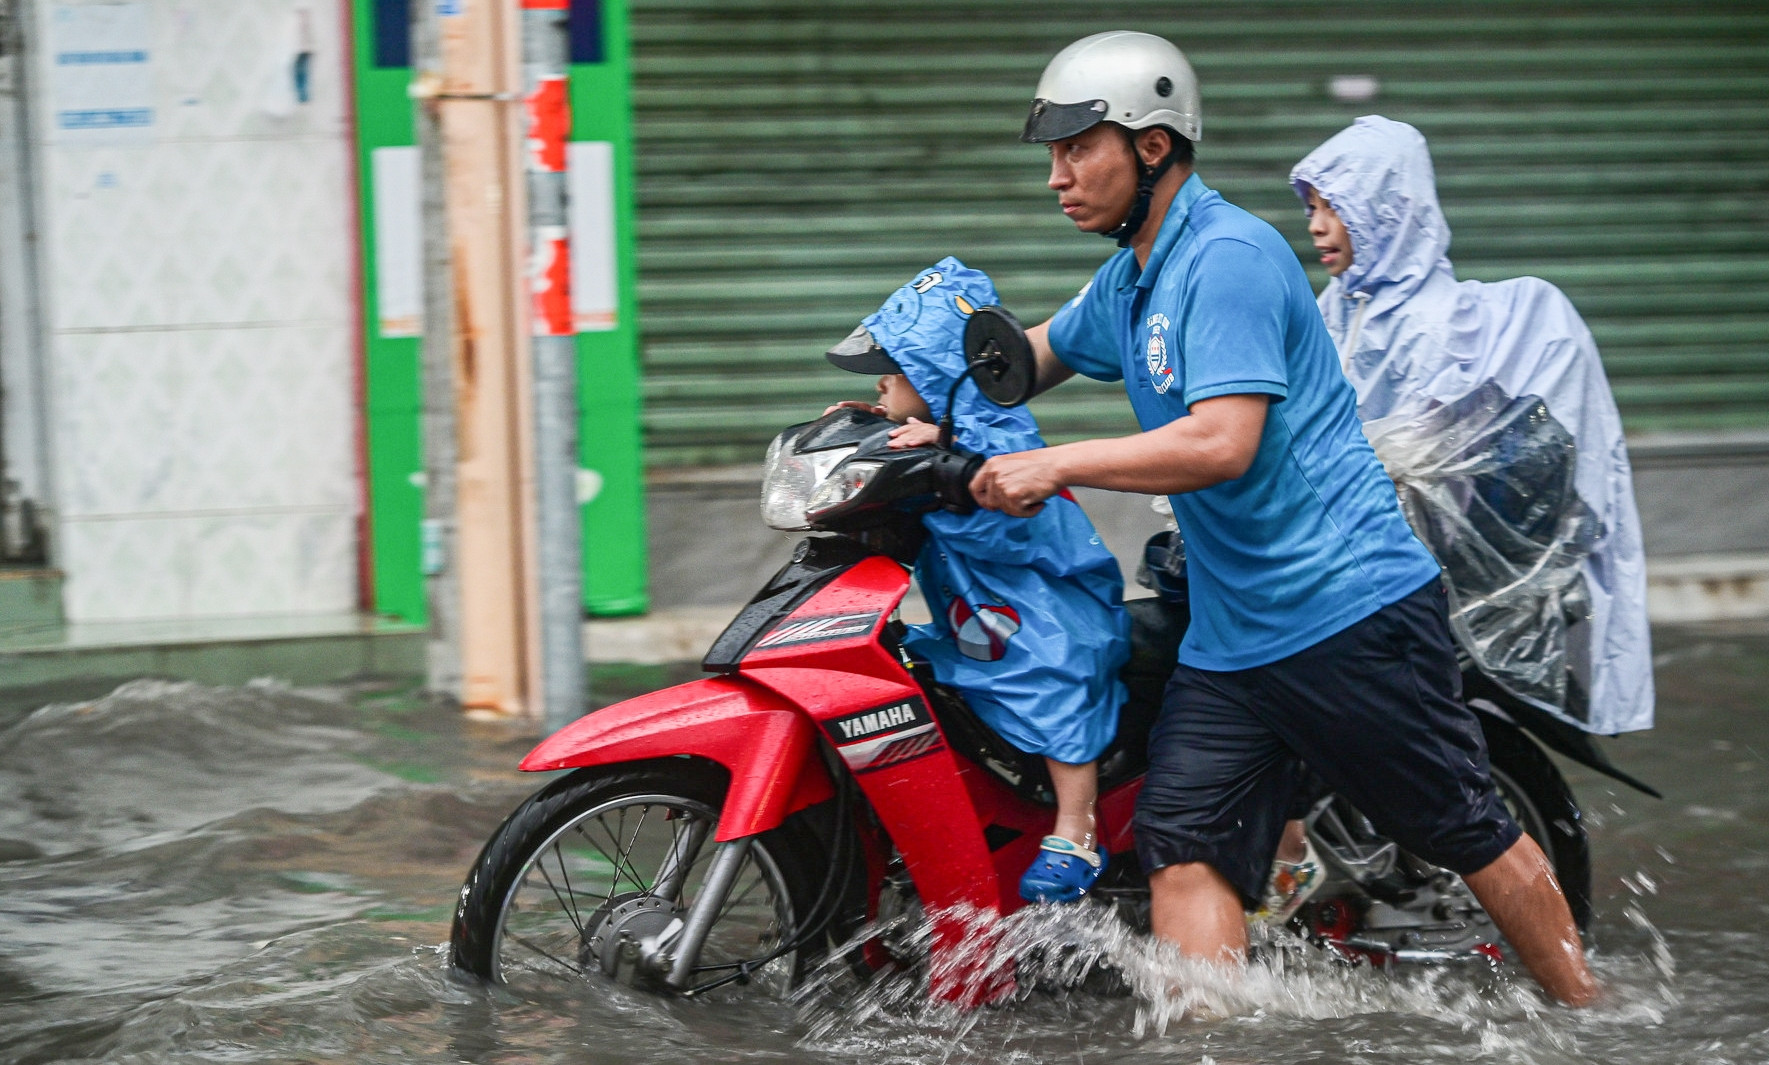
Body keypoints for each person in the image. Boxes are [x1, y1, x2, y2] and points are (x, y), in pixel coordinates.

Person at [968, 30, 1599, 1006]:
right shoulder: (1133, 276)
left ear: (1149, 146)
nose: (1055, 177)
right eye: (1050, 155)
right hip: (1233, 644)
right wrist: (902, 391)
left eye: (1074, 148)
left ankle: (1590, 1018)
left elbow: (1221, 442)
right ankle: (1207, 1036)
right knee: (1183, 850)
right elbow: (1031, 356)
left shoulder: (1225, 259)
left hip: (1346, 615)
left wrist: (1054, 463)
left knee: (1460, 825)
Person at [1289, 115, 1653, 736]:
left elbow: (1426, 463)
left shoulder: (1437, 323)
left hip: (1402, 578)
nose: (1317, 225)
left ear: (1385, 209)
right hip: (1344, 560)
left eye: (1336, 207)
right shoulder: (1337, 307)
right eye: (1312, 207)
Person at [825, 256, 1132, 904]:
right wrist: (865, 426)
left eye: (893, 372)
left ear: (938, 378)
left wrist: (947, 447)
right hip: (981, 609)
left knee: (1059, 679)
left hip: (1045, 605)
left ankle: (1076, 828)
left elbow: (1000, 483)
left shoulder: (998, 430)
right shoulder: (934, 425)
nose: (881, 383)